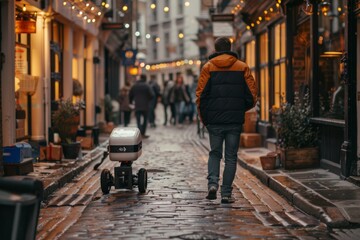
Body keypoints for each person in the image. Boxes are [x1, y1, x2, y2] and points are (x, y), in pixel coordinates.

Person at [196, 37, 257, 203]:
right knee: (231, 157)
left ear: (215, 49)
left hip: (214, 121)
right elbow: (252, 96)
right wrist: (238, 109)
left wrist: (205, 119)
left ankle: (213, 185)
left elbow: (201, 96)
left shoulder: (208, 67)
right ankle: (226, 193)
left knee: (215, 153)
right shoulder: (242, 67)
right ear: (230, 47)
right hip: (234, 121)